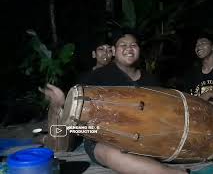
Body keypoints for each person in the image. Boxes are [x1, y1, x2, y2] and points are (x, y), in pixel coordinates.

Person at [40, 30, 188, 174]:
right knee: (111, 154)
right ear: (114, 51)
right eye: (123, 45)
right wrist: (62, 103)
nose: (129, 48)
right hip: (104, 139)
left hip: (146, 139)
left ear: (139, 50)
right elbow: (77, 109)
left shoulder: (151, 80)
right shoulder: (97, 76)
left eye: (133, 45)